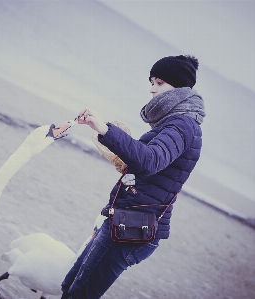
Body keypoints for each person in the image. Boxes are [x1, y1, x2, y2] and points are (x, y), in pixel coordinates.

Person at [61, 55, 205, 299]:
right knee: (71, 285)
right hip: (125, 219)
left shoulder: (182, 125)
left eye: (159, 83)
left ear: (179, 87)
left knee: (79, 294)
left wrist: (105, 129)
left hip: (133, 228)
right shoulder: (175, 123)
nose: (151, 88)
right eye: (151, 81)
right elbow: (151, 167)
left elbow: (150, 160)